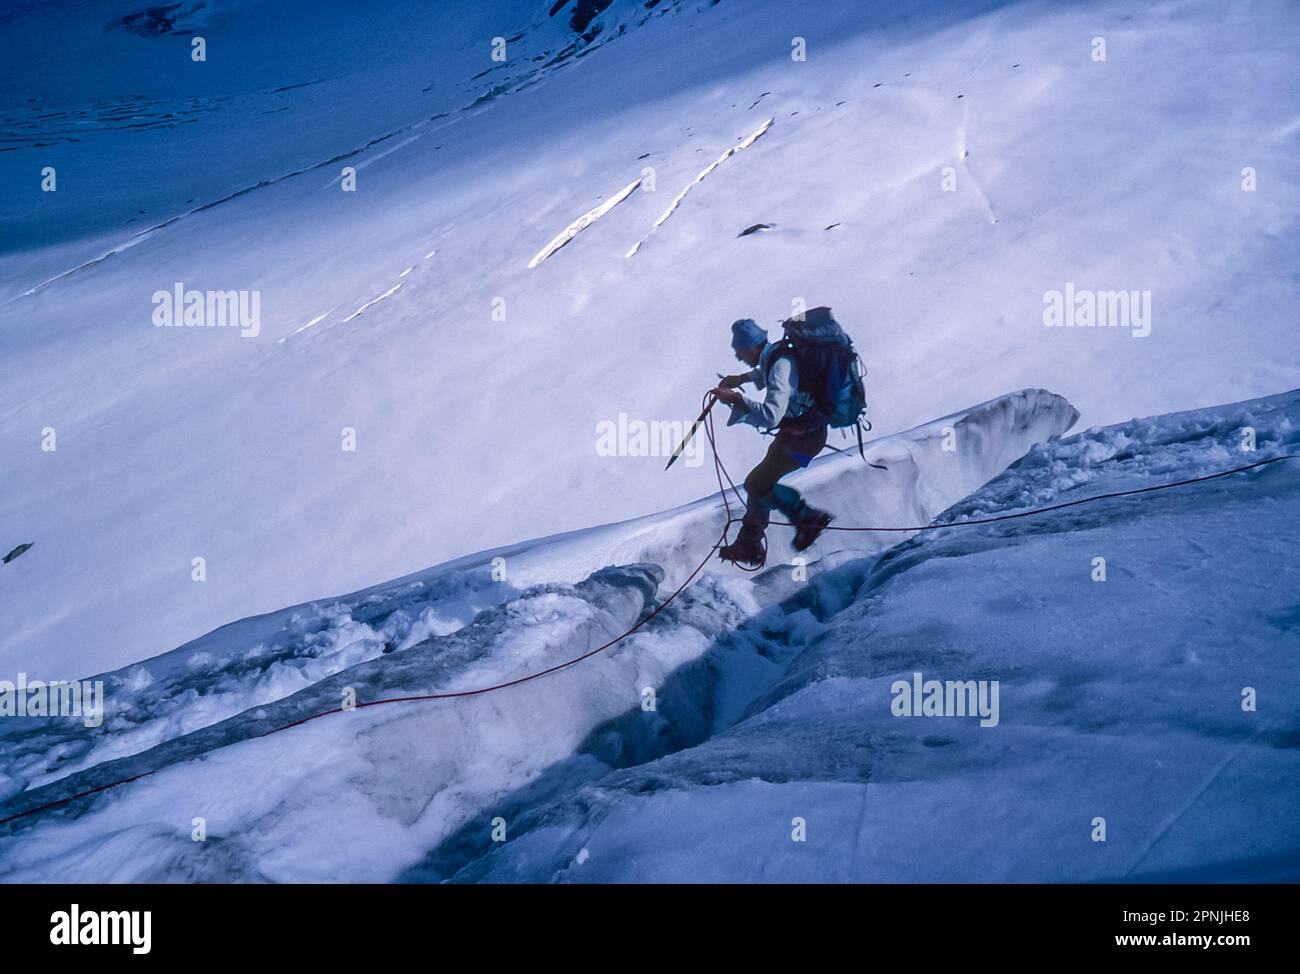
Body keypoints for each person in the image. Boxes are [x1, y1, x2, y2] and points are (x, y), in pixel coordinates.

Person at [711, 318, 834, 568]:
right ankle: (750, 543)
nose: (739, 357)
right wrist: (742, 378)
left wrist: (737, 400)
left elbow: (771, 415)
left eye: (740, 352)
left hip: (804, 440)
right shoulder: (776, 354)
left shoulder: (780, 363)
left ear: (752, 347)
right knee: (761, 481)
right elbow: (766, 372)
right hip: (798, 435)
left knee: (756, 483)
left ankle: (806, 517)